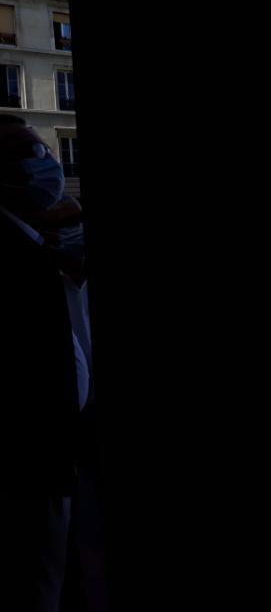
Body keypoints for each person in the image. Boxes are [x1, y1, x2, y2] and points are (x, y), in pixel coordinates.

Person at [0, 115, 81, 610]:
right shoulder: (19, 256)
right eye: (36, 152)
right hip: (33, 471)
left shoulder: (33, 248)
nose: (49, 161)